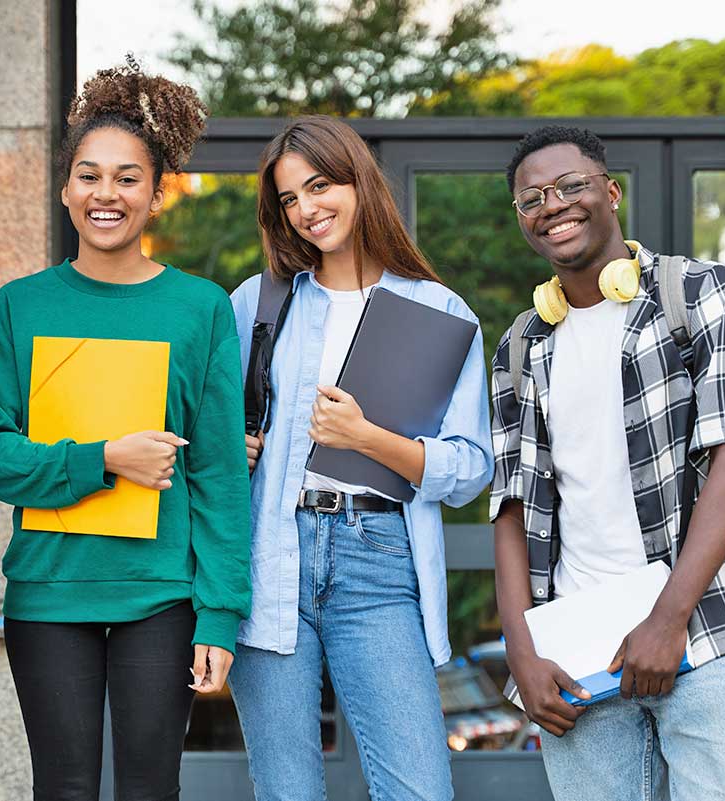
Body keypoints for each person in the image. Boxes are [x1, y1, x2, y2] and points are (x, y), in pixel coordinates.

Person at [0, 58, 250, 801]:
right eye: (89, 176)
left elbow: (220, 473)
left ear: (157, 194)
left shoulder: (201, 309)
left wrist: (220, 612)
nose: (107, 194)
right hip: (50, 593)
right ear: (65, 191)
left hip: (162, 596)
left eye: (128, 178)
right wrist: (105, 459)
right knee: (61, 789)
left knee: (153, 788)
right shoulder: (19, 307)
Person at [490, 125, 725, 801]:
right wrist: (523, 653)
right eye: (532, 197)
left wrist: (666, 618)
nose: (553, 204)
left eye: (572, 185)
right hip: (576, 654)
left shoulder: (699, 292)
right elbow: (510, 509)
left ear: (611, 192)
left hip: (701, 632)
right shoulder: (519, 346)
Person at [228, 115, 493, 801]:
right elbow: (213, 437)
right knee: (287, 790)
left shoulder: (437, 310)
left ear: (358, 181)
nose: (307, 209)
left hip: (378, 559)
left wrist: (367, 436)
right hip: (271, 556)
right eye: (289, 198)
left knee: (419, 789)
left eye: (319, 186)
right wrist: (237, 445)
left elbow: (469, 470)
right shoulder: (256, 304)